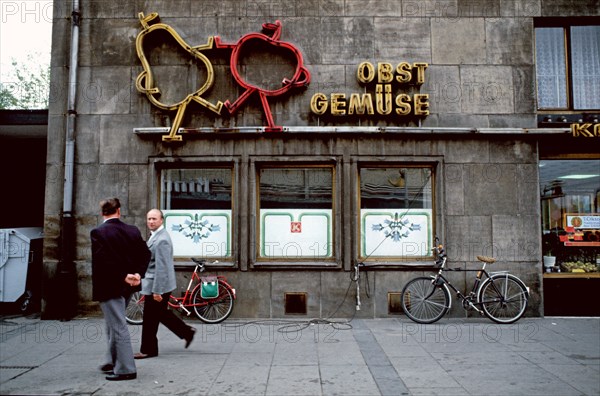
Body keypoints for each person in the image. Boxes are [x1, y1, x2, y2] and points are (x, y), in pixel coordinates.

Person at [91, 198, 150, 381]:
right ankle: (111, 361)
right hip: (128, 285)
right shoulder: (132, 230)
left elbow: (103, 262)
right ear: (118, 210)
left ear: (102, 213)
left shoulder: (99, 232)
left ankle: (125, 369)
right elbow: (145, 253)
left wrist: (123, 275)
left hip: (109, 286)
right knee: (113, 323)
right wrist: (138, 274)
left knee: (117, 325)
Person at [134, 208, 196, 359]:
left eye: (154, 219)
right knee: (160, 314)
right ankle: (186, 332)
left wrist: (157, 291)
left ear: (161, 220)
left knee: (150, 318)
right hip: (158, 284)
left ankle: (148, 349)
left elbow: (162, 267)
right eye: (149, 219)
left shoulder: (161, 239)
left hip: (158, 285)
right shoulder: (156, 235)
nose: (151, 221)